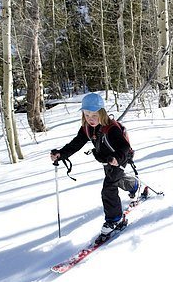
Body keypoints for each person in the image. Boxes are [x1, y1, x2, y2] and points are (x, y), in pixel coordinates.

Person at [50, 92, 139, 241]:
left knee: (108, 188)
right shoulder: (87, 128)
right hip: (107, 160)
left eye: (94, 115)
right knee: (117, 180)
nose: (90, 119)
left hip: (119, 158)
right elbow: (76, 143)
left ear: (101, 112)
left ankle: (115, 219)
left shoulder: (111, 128)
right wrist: (61, 153)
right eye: (86, 114)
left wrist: (117, 158)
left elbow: (124, 146)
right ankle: (133, 185)